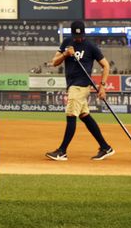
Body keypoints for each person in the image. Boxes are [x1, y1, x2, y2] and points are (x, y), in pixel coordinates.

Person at [45, 20, 112, 161]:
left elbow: (105, 65)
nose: (78, 39)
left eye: (80, 35)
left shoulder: (90, 46)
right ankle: (105, 147)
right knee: (85, 116)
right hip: (72, 84)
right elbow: (54, 62)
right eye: (76, 36)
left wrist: (103, 85)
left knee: (71, 115)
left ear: (84, 33)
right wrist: (65, 55)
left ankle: (62, 151)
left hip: (80, 86)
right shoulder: (67, 43)